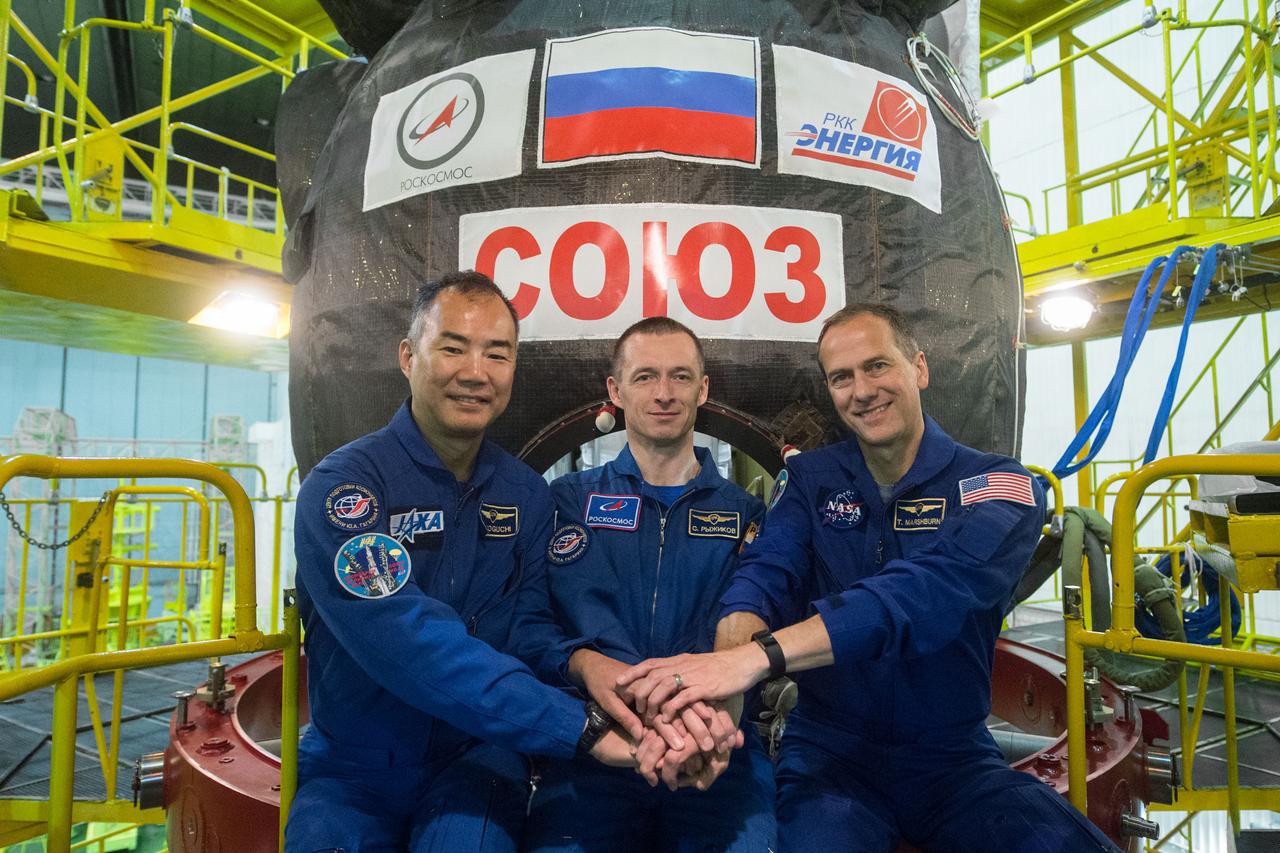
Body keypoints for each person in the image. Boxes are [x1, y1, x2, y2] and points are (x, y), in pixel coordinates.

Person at [616, 305, 1122, 853]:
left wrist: (756, 659)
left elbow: (926, 591)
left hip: (954, 761)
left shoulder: (997, 484)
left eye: (877, 366)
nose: (862, 390)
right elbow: (762, 579)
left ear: (919, 368)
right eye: (842, 377)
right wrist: (721, 701)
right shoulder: (811, 481)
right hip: (831, 760)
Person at [286, 271, 635, 853]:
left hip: (475, 759)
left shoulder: (525, 494)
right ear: (407, 356)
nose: (475, 373)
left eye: (496, 354)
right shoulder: (345, 489)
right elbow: (404, 638)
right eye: (452, 348)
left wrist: (586, 668)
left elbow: (526, 627)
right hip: (353, 771)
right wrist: (573, 725)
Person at [522, 317, 776, 853]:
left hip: (717, 751)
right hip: (592, 750)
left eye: (681, 377)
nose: (664, 394)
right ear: (615, 391)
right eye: (645, 377)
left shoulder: (748, 515)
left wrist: (717, 722)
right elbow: (529, 626)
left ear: (703, 389)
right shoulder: (565, 503)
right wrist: (583, 667)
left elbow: (761, 635)